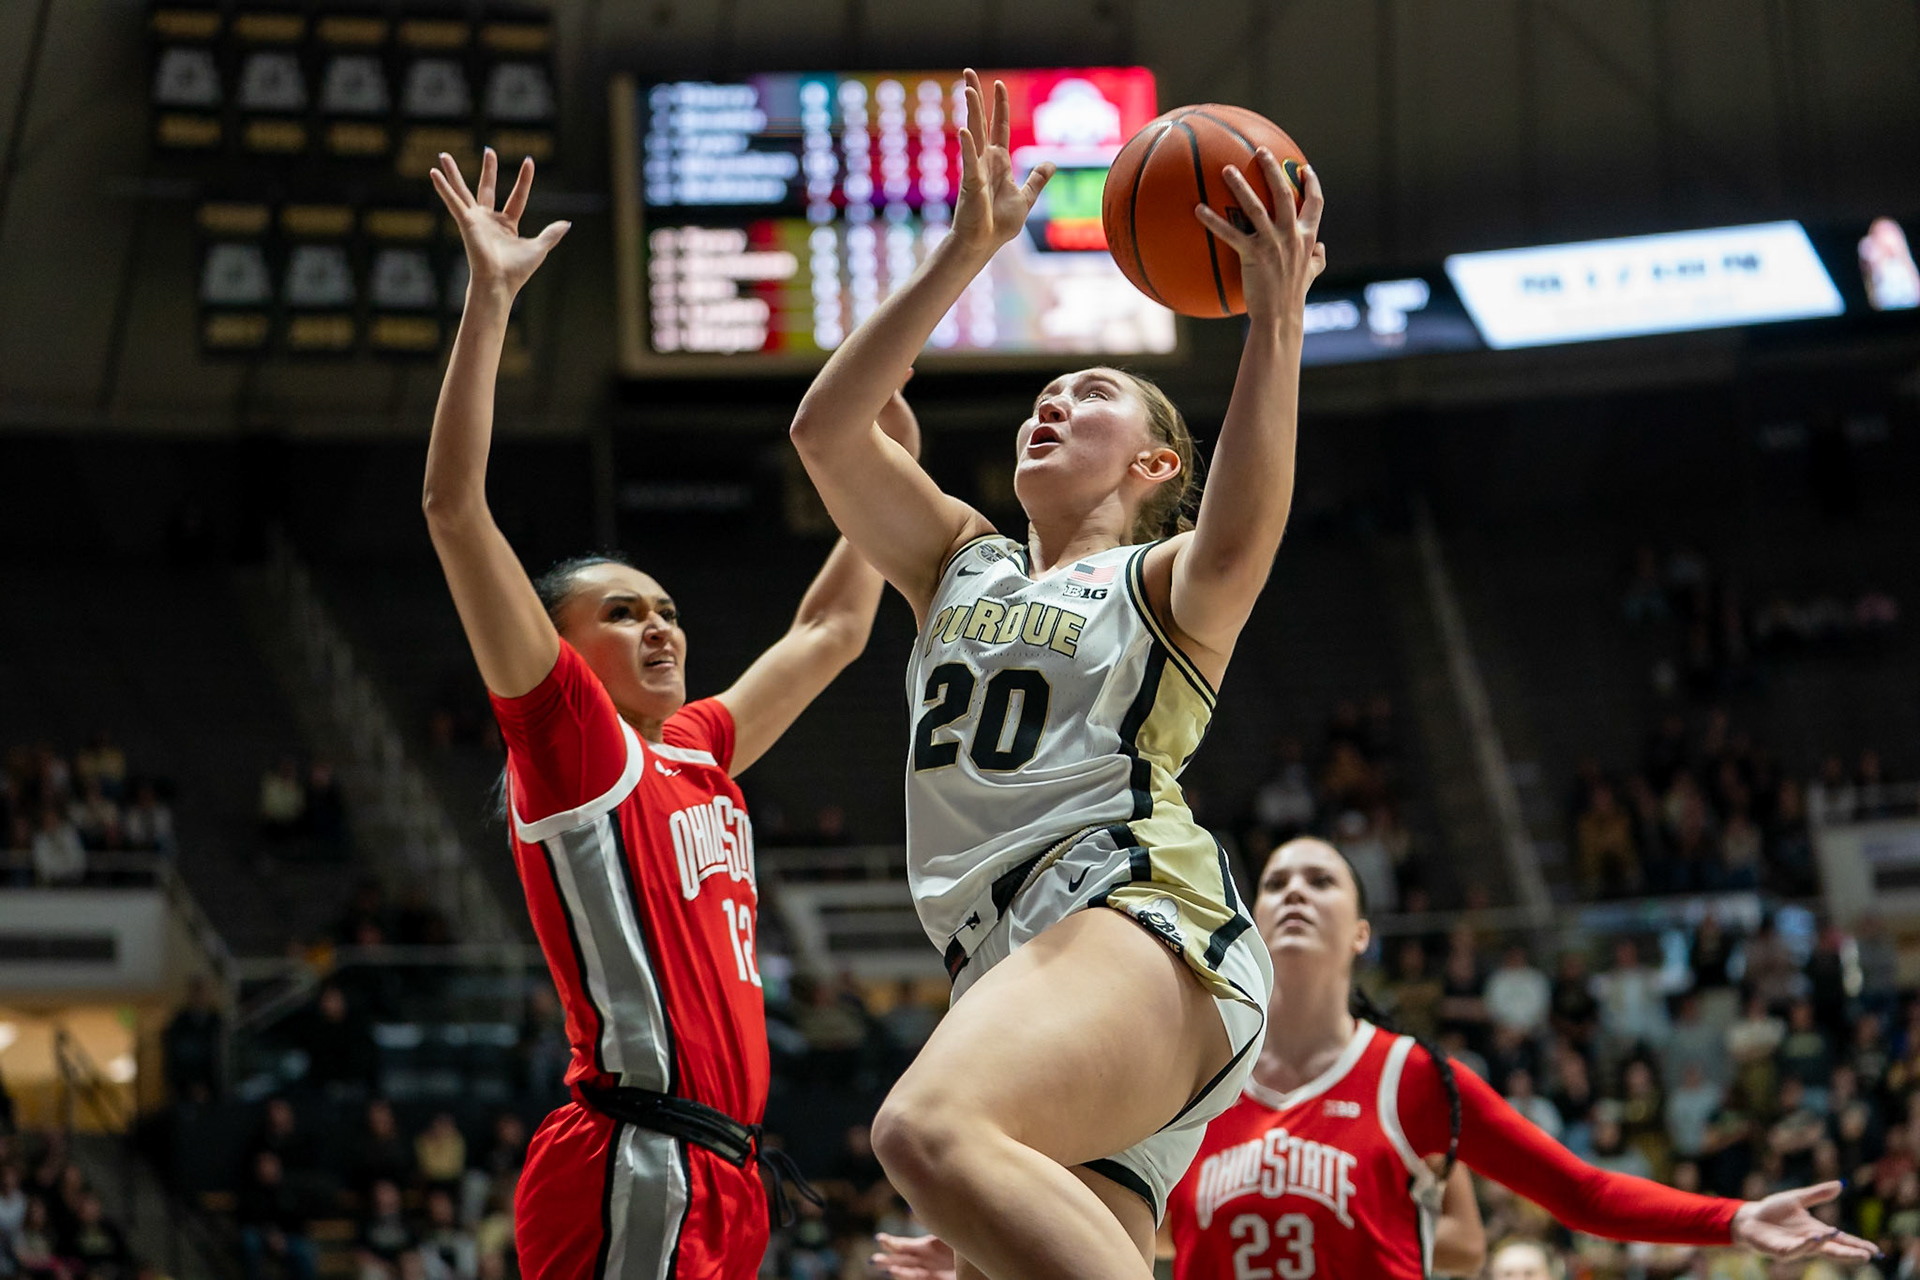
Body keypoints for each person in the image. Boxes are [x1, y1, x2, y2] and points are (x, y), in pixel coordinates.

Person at [789, 69, 1322, 1278]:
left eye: (1087, 393)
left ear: (1154, 458)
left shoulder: (1161, 578)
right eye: (1041, 392)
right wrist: (966, 250)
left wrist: (1275, 321)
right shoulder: (956, 563)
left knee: (925, 1125)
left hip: (1133, 912)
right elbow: (828, 429)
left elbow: (1242, 533)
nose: (1050, 404)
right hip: (1014, 959)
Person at [425, 144, 903, 1280]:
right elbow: (453, 506)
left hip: (724, 1170)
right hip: (636, 1153)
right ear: (561, 648)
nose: (660, 628)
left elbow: (832, 632)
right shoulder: (576, 747)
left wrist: (879, 481)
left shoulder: (691, 746)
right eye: (624, 612)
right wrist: (489, 299)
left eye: (669, 609)